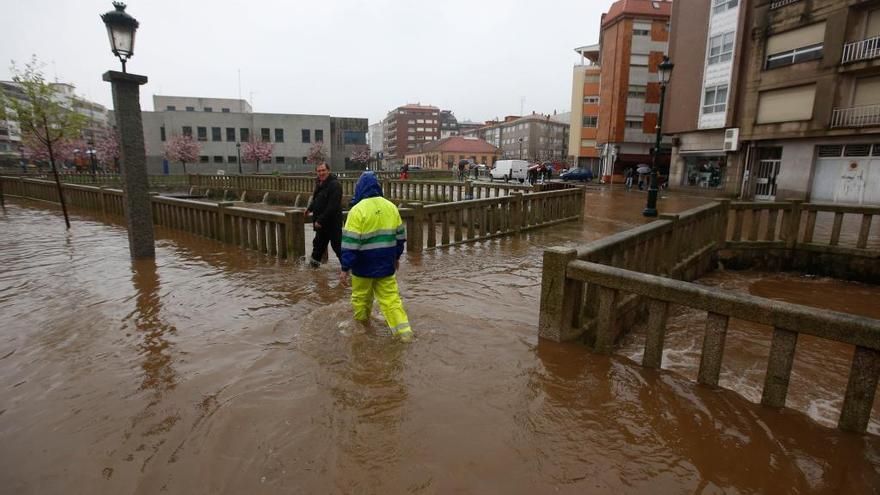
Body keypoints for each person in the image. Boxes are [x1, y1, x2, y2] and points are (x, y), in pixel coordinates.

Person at [339, 172, 413, 342]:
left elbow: (350, 244)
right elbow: (400, 237)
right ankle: (405, 334)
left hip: (362, 268)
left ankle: (362, 331)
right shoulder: (391, 207)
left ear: (360, 188)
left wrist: (345, 268)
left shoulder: (357, 210)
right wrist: (396, 258)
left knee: (360, 300)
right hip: (386, 266)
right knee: (391, 300)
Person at [306, 162, 342, 268]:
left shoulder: (335, 185)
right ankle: (313, 270)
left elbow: (333, 206)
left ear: (328, 171)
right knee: (318, 247)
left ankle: (348, 270)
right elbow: (317, 199)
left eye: (323, 170)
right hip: (321, 225)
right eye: (319, 171)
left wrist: (320, 220)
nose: (321, 173)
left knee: (337, 247)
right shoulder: (319, 183)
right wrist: (309, 208)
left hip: (332, 223)